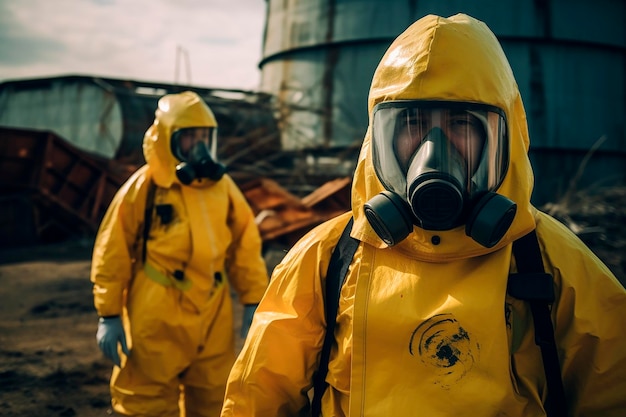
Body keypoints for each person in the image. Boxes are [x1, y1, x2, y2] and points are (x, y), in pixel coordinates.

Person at [220, 13, 626, 417]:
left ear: (504, 138)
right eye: (411, 124)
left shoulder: (556, 263)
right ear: (379, 137)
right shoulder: (326, 258)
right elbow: (257, 400)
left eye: (462, 123)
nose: (433, 150)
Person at [91, 91, 269, 417]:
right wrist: (109, 313)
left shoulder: (222, 187)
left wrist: (252, 298)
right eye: (190, 139)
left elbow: (245, 244)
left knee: (215, 397)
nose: (200, 148)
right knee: (146, 400)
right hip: (156, 310)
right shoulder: (143, 188)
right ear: (168, 140)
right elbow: (112, 249)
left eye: (205, 138)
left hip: (213, 309)